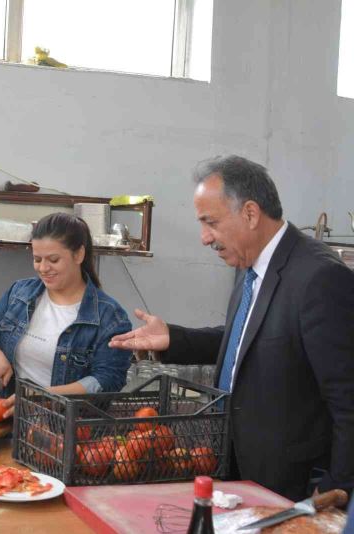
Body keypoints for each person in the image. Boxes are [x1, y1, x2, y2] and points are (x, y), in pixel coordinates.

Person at [109, 155, 354, 501]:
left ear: (251, 214)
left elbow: (348, 399)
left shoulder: (319, 278)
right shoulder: (249, 263)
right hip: (237, 471)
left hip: (294, 487)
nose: (204, 238)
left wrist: (336, 487)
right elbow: (251, 339)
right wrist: (175, 339)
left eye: (210, 222)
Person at [0, 212, 132, 417]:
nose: (43, 268)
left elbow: (107, 381)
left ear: (79, 255)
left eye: (54, 260)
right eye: (37, 259)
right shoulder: (19, 293)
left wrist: (43, 398)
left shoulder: (110, 317)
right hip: (11, 424)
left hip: (68, 431)